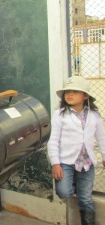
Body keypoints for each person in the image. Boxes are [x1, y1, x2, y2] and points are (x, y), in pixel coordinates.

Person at [47, 76, 105, 225]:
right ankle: (73, 182)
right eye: (67, 92)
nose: (69, 95)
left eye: (74, 92)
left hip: (87, 163)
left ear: (85, 96)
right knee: (64, 192)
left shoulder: (95, 116)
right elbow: (53, 140)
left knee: (85, 199)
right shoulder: (59, 115)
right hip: (66, 162)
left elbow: (102, 139)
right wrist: (55, 163)